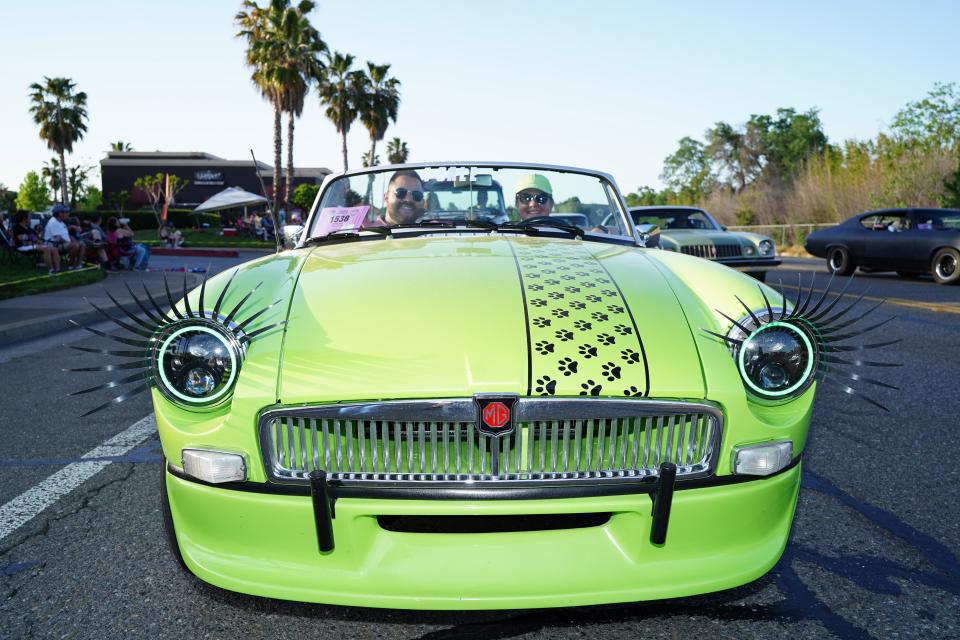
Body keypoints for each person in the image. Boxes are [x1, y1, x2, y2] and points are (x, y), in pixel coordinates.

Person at [43, 204, 83, 269]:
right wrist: (70, 242)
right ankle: (70, 265)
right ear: (60, 213)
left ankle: (78, 265)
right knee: (75, 245)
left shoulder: (61, 222)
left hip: (63, 243)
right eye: (65, 212)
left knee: (82, 245)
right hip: (54, 244)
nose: (67, 214)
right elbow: (58, 238)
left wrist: (72, 239)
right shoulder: (53, 222)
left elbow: (65, 234)